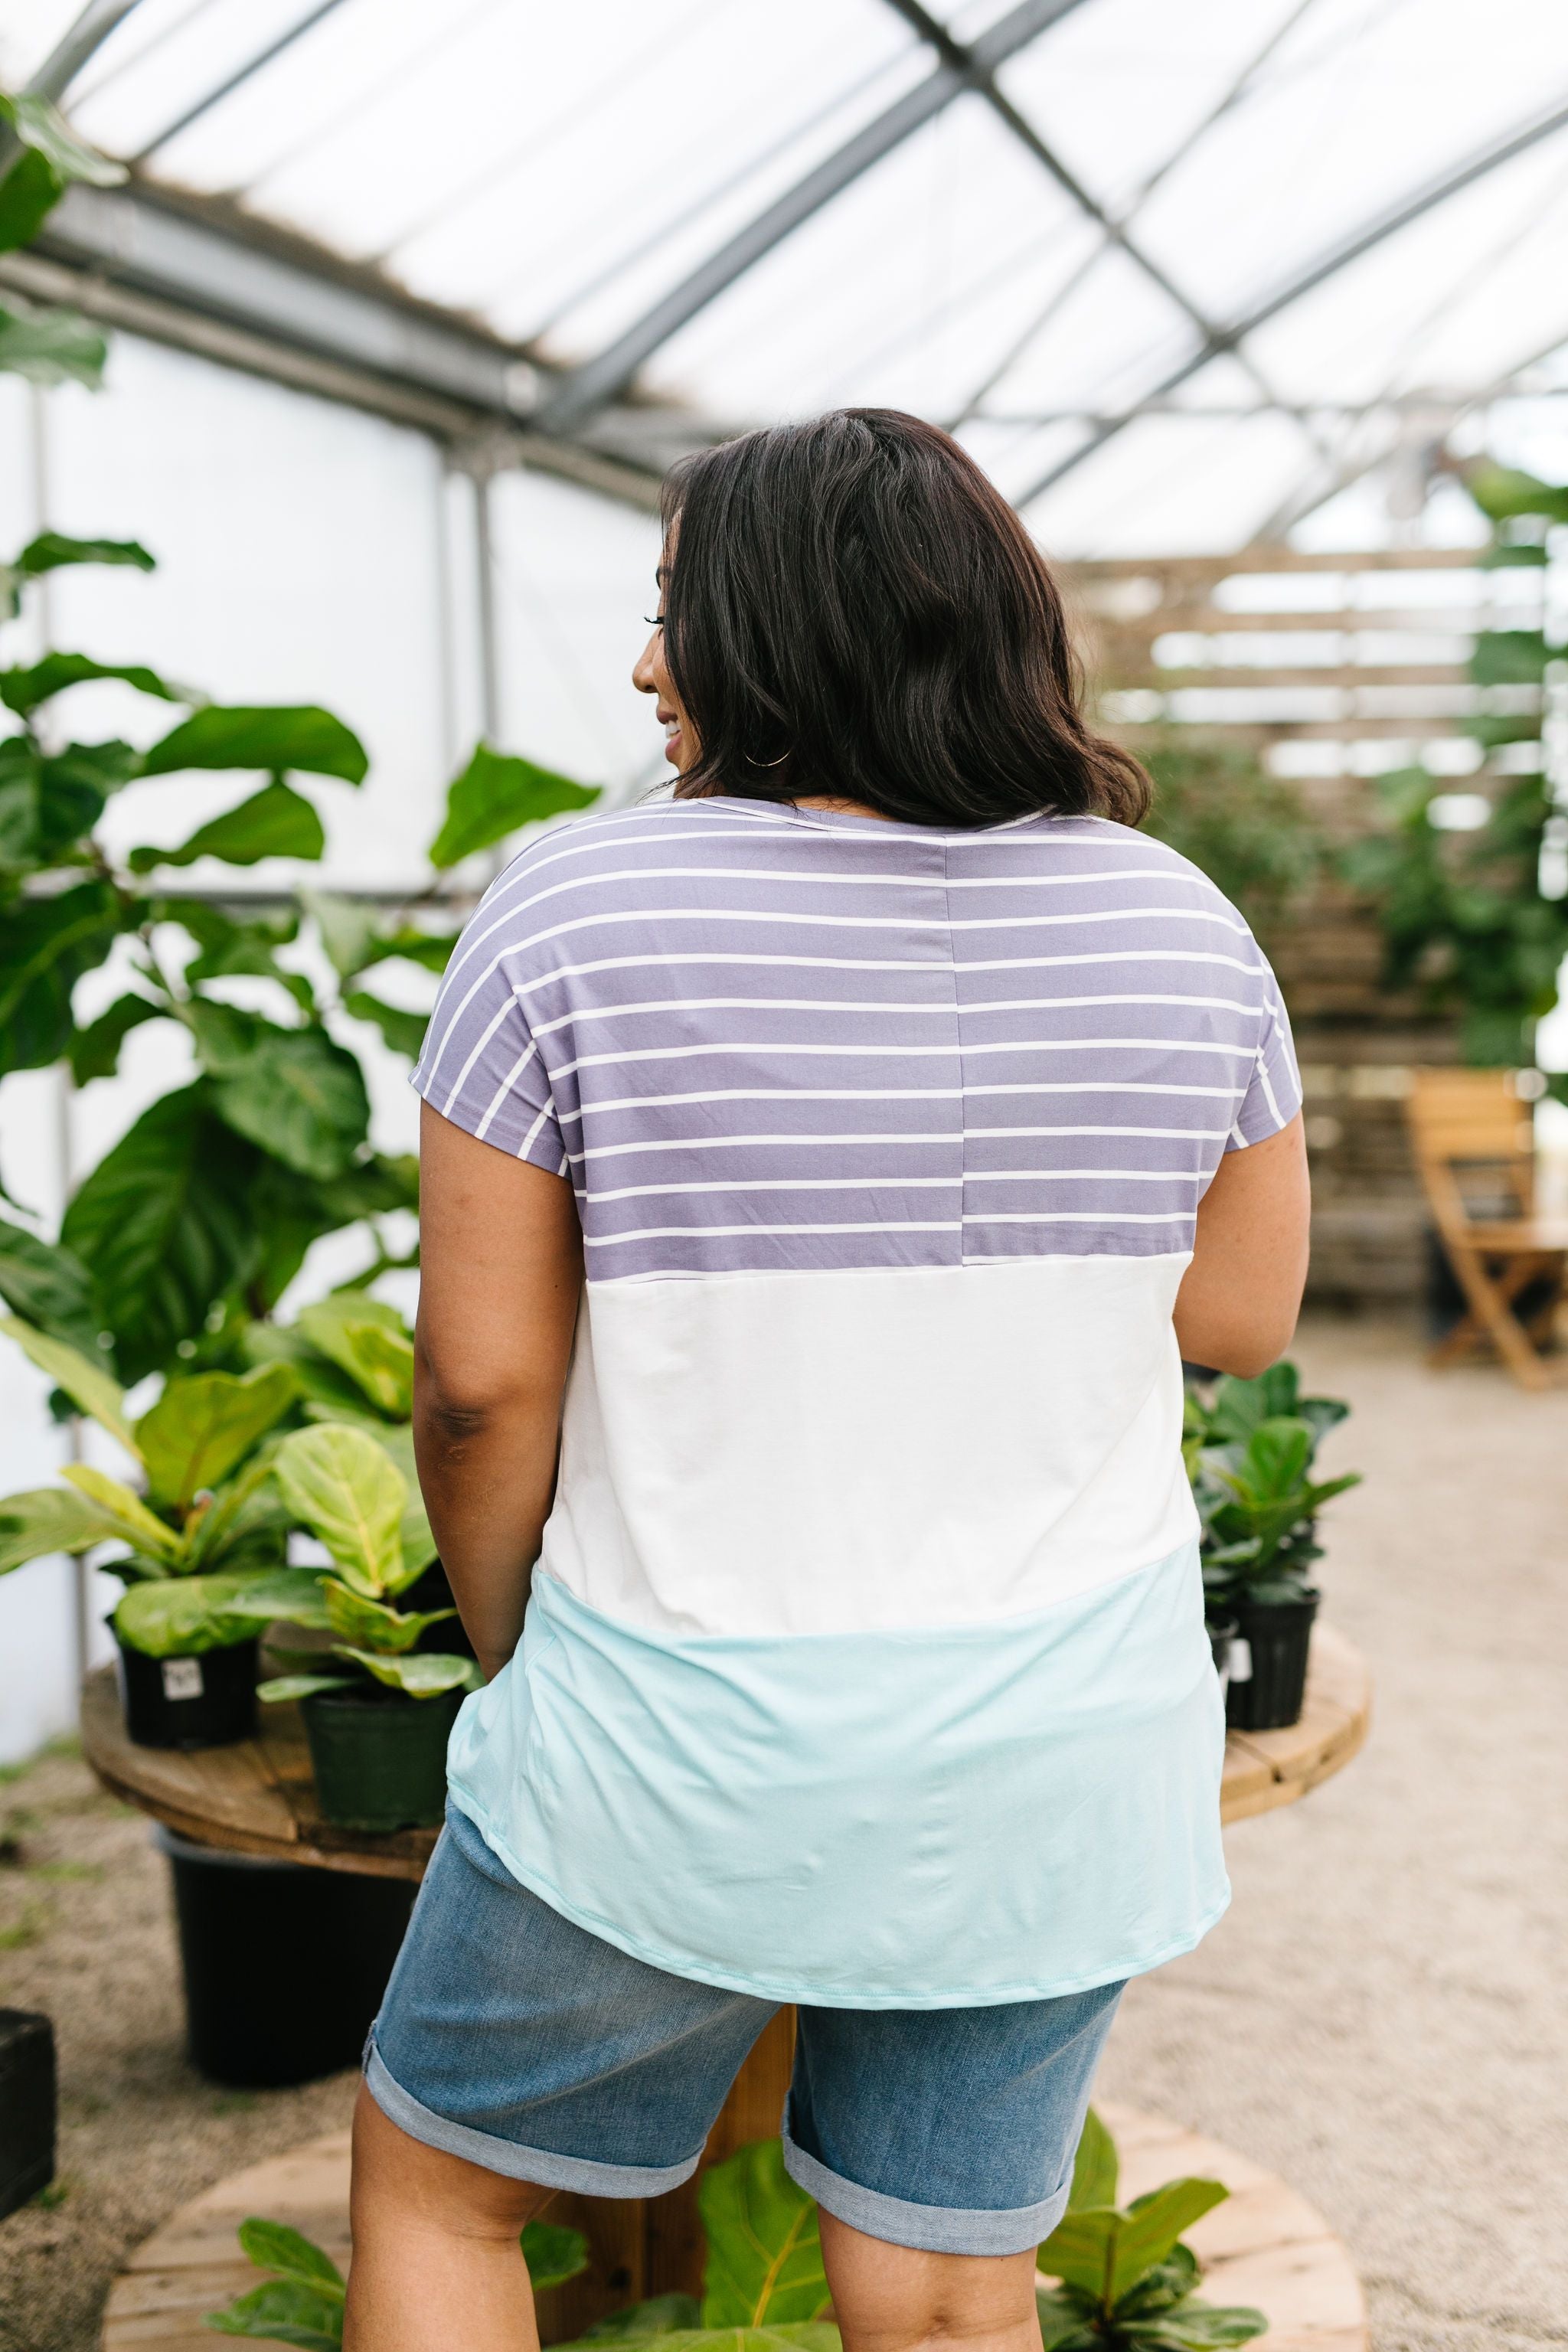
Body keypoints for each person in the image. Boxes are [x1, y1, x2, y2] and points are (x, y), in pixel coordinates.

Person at [345, 410, 1310, 2351]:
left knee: (448, 2195)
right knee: (947, 2277)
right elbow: (1234, 1322)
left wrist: (513, 1639)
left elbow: (475, 1385)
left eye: (672, 612)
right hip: (1058, 1744)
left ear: (780, 633)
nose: (643, 667)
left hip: (676, 1729)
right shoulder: (1181, 921)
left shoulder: (568, 914)